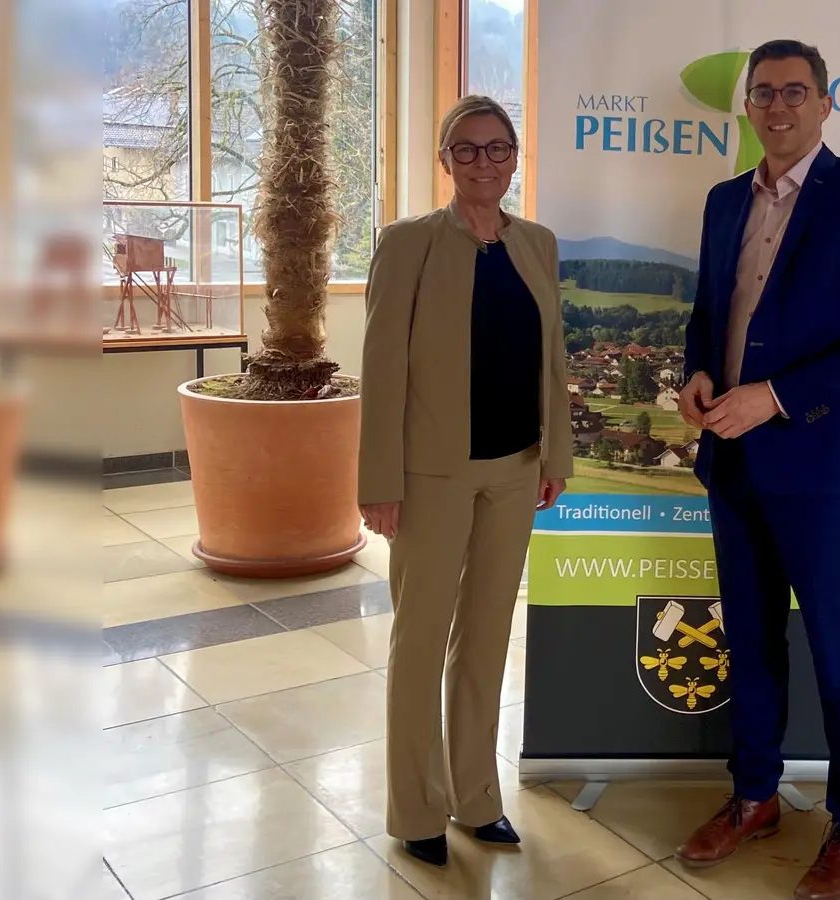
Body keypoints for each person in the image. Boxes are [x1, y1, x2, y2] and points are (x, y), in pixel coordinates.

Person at [673, 40, 840, 900]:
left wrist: (774, 397)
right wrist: (699, 373)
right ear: (747, 107)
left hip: (820, 465)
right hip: (733, 459)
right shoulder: (722, 201)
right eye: (764, 93)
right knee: (748, 638)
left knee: (838, 645)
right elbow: (712, 312)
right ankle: (755, 797)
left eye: (794, 91)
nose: (777, 106)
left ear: (823, 103)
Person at [357, 95, 572, 868]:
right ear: (445, 160)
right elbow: (382, 367)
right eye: (468, 149)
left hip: (516, 470)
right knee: (420, 642)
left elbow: (553, 355)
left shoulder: (537, 244)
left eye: (498, 148)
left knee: (484, 641)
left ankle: (476, 798)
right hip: (431, 475)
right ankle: (417, 809)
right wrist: (379, 480)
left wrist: (555, 456)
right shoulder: (407, 242)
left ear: (515, 157)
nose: (485, 161)